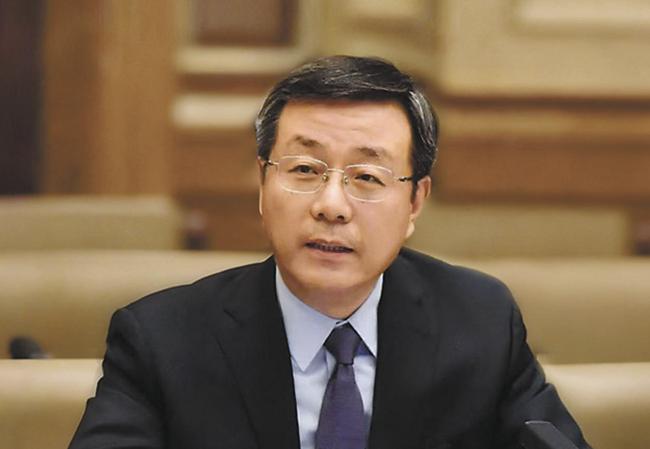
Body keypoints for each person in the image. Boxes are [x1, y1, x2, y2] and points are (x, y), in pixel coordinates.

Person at [69, 55, 591, 449]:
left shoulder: (479, 324)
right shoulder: (162, 342)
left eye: (367, 177)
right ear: (262, 184)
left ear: (415, 202)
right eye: (304, 170)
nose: (332, 206)